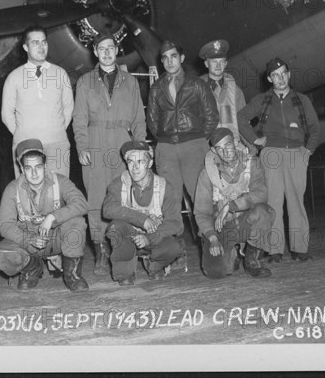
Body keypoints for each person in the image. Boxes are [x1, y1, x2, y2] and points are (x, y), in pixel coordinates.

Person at [72, 34, 147, 276]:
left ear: (117, 50)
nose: (106, 52)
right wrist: (82, 147)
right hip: (95, 141)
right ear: (95, 52)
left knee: (124, 195)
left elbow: (138, 118)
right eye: (101, 49)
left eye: (110, 48)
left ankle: (123, 246)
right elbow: (79, 120)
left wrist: (139, 148)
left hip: (123, 143)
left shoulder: (130, 81)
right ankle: (101, 249)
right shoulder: (85, 81)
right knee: (96, 197)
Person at [237, 57, 320, 262]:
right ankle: (274, 250)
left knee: (295, 201)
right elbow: (240, 118)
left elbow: (315, 127)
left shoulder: (302, 100)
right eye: (275, 75)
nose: (280, 78)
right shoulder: (262, 100)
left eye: (283, 73)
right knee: (273, 201)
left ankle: (300, 248)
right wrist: (256, 140)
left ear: (289, 74)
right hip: (271, 153)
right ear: (269, 78)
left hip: (296, 154)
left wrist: (307, 151)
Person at [0, 139, 90, 292]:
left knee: (76, 222)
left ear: (45, 166)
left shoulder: (60, 181)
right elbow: (5, 225)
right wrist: (28, 240)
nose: (34, 173)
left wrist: (52, 217)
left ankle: (72, 274)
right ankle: (32, 268)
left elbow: (82, 203)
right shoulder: (12, 189)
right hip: (29, 240)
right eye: (29, 168)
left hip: (56, 237)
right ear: (22, 169)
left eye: (38, 167)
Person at [194, 127, 275, 279]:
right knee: (216, 272)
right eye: (219, 149)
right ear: (213, 151)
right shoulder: (206, 174)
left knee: (265, 212)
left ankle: (252, 261)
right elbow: (201, 213)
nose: (225, 152)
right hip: (220, 228)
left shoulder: (252, 164)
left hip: (245, 222)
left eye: (228, 145)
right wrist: (212, 238)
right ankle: (231, 255)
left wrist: (232, 205)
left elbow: (261, 194)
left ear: (236, 142)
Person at [147, 40, 219, 204]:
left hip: (194, 146)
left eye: (173, 56)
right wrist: (164, 140)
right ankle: (173, 231)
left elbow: (212, 115)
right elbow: (152, 120)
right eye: (165, 58)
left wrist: (198, 138)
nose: (169, 61)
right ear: (162, 62)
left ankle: (207, 231)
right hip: (167, 150)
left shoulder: (197, 84)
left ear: (182, 58)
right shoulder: (156, 88)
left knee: (201, 197)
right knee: (170, 200)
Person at [103, 141, 183, 285]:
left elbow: (176, 223)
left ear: (150, 163)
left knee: (174, 247)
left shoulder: (165, 186)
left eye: (140, 161)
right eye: (130, 162)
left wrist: (150, 238)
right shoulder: (119, 183)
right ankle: (125, 271)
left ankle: (155, 266)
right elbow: (108, 209)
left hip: (154, 237)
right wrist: (142, 219)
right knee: (115, 228)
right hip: (130, 236)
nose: (135, 168)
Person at [1, 25, 74, 178]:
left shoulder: (60, 74)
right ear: (25, 47)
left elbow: (68, 108)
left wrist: (55, 130)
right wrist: (24, 133)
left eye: (44, 42)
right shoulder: (14, 77)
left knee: (58, 193)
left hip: (57, 145)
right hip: (26, 147)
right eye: (35, 43)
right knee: (28, 195)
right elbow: (7, 114)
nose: (41, 47)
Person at [199, 39, 246, 141]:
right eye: (214, 62)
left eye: (221, 61)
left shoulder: (236, 91)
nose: (218, 65)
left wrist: (250, 146)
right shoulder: (196, 89)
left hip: (232, 146)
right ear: (206, 64)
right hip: (205, 145)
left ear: (226, 64)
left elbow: (242, 122)